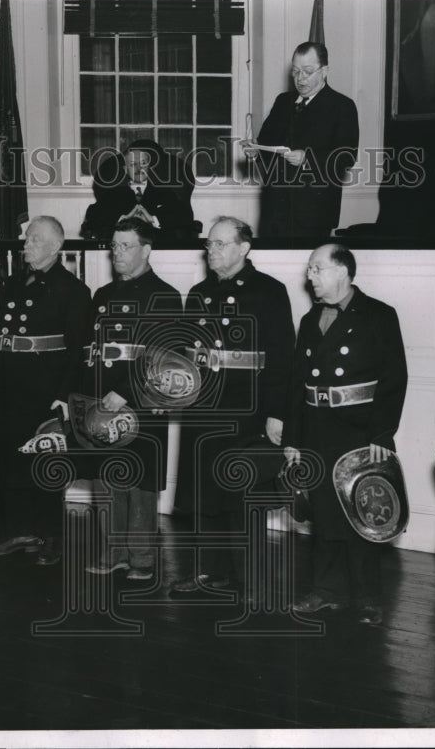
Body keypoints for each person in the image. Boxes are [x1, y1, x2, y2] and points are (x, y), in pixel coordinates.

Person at [283, 244, 407, 625]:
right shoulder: (309, 320)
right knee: (323, 515)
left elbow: (394, 378)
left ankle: (368, 597)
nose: (310, 277)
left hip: (359, 432)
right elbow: (297, 383)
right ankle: (327, 590)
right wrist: (293, 440)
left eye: (317, 269)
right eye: (310, 269)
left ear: (343, 272)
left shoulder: (379, 316)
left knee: (362, 515)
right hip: (317, 429)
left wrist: (382, 434)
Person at [171, 216, 295, 598]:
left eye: (221, 244)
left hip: (247, 410)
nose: (212, 250)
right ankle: (211, 572)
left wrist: (277, 412)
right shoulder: (197, 293)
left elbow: (282, 357)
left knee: (242, 496)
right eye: (210, 244)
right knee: (205, 494)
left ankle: (252, 579)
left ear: (244, 248)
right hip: (203, 408)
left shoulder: (269, 291)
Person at [0, 216, 93, 566]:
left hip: (44, 390)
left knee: (44, 461)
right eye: (27, 238)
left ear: (56, 247)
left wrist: (64, 395)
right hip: (9, 386)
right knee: (11, 461)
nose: (26, 244)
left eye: (35, 240)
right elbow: (2, 336)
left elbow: (77, 349)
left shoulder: (72, 290)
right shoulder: (13, 283)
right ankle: (19, 531)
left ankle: (52, 537)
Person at [84, 217, 183, 581]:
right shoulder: (103, 296)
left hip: (141, 402)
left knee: (140, 483)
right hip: (100, 404)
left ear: (146, 249)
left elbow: (167, 356)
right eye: (114, 246)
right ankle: (113, 553)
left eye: (125, 246)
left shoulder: (166, 295)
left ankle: (142, 558)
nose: (117, 253)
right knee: (107, 479)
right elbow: (91, 352)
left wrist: (125, 393)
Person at [247, 42, 359, 239]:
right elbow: (266, 145)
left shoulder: (342, 106)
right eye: (296, 71)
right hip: (275, 210)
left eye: (307, 71)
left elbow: (346, 157)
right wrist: (255, 152)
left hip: (314, 213)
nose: (300, 79)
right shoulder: (283, 102)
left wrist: (307, 158)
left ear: (324, 71)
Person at [80, 139, 197, 240]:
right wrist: (122, 220)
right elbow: (92, 216)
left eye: (143, 163)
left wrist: (153, 219)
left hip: (157, 247)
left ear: (149, 167)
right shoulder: (114, 194)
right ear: (125, 169)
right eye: (132, 164)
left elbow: (184, 215)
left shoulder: (164, 192)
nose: (138, 168)